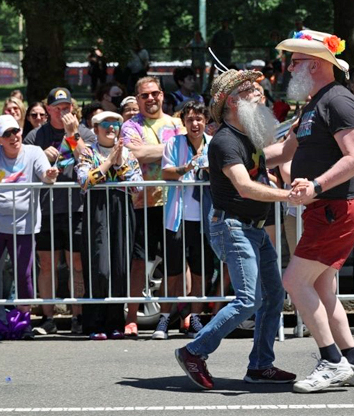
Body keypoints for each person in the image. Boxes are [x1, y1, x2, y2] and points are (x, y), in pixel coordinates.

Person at [174, 69, 296, 390]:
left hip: (252, 229)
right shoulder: (225, 141)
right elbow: (244, 186)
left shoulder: (248, 137)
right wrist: (289, 194)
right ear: (232, 101)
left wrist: (299, 132)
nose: (260, 94)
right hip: (233, 226)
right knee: (247, 301)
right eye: (251, 91)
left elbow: (281, 153)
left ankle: (260, 365)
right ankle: (193, 351)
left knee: (273, 297)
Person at [269, 29, 354, 393]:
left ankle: (332, 362)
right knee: (322, 287)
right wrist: (229, 157)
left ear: (313, 64)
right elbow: (283, 153)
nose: (289, 68)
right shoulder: (315, 104)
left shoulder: (339, 101)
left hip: (336, 208)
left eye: (295, 62)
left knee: (294, 281)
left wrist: (315, 185)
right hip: (328, 209)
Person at [0, 115, 59, 341]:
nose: (14, 137)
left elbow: (46, 175)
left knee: (24, 275)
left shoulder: (34, 152)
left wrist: (49, 175)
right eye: (7, 135)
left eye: (16, 131)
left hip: (24, 225)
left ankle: (24, 322)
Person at [23, 87, 96, 336]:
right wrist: (40, 156)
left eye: (67, 107)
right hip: (45, 208)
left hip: (77, 207)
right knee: (47, 264)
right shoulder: (36, 135)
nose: (63, 112)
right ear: (49, 110)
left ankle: (77, 316)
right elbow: (22, 167)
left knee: (77, 263)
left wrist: (72, 135)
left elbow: (87, 159)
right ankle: (48, 317)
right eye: (58, 108)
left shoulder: (83, 131)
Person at [121, 76, 184, 337]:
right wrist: (171, 148)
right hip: (142, 203)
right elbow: (134, 154)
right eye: (145, 95)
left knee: (177, 263)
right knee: (139, 262)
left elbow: (186, 153)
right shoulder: (130, 125)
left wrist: (153, 150)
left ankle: (179, 316)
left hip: (174, 202)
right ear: (138, 99)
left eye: (155, 93)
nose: (150, 98)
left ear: (162, 95)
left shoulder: (176, 123)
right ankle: (132, 318)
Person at [75, 111, 142, 340]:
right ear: (96, 128)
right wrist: (107, 163)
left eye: (115, 124)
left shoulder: (127, 154)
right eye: (106, 124)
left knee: (120, 268)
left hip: (121, 208)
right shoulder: (88, 152)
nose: (111, 128)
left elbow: (137, 186)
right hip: (97, 210)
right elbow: (83, 181)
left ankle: (115, 322)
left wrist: (120, 162)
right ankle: (95, 323)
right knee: (99, 267)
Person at [156, 101, 215, 340]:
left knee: (202, 270)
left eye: (200, 119)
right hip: (177, 217)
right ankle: (164, 318)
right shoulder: (174, 143)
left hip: (205, 217)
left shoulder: (214, 144)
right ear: (184, 122)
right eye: (190, 119)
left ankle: (195, 318)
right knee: (172, 271)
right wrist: (186, 167)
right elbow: (165, 172)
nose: (195, 123)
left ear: (206, 121)